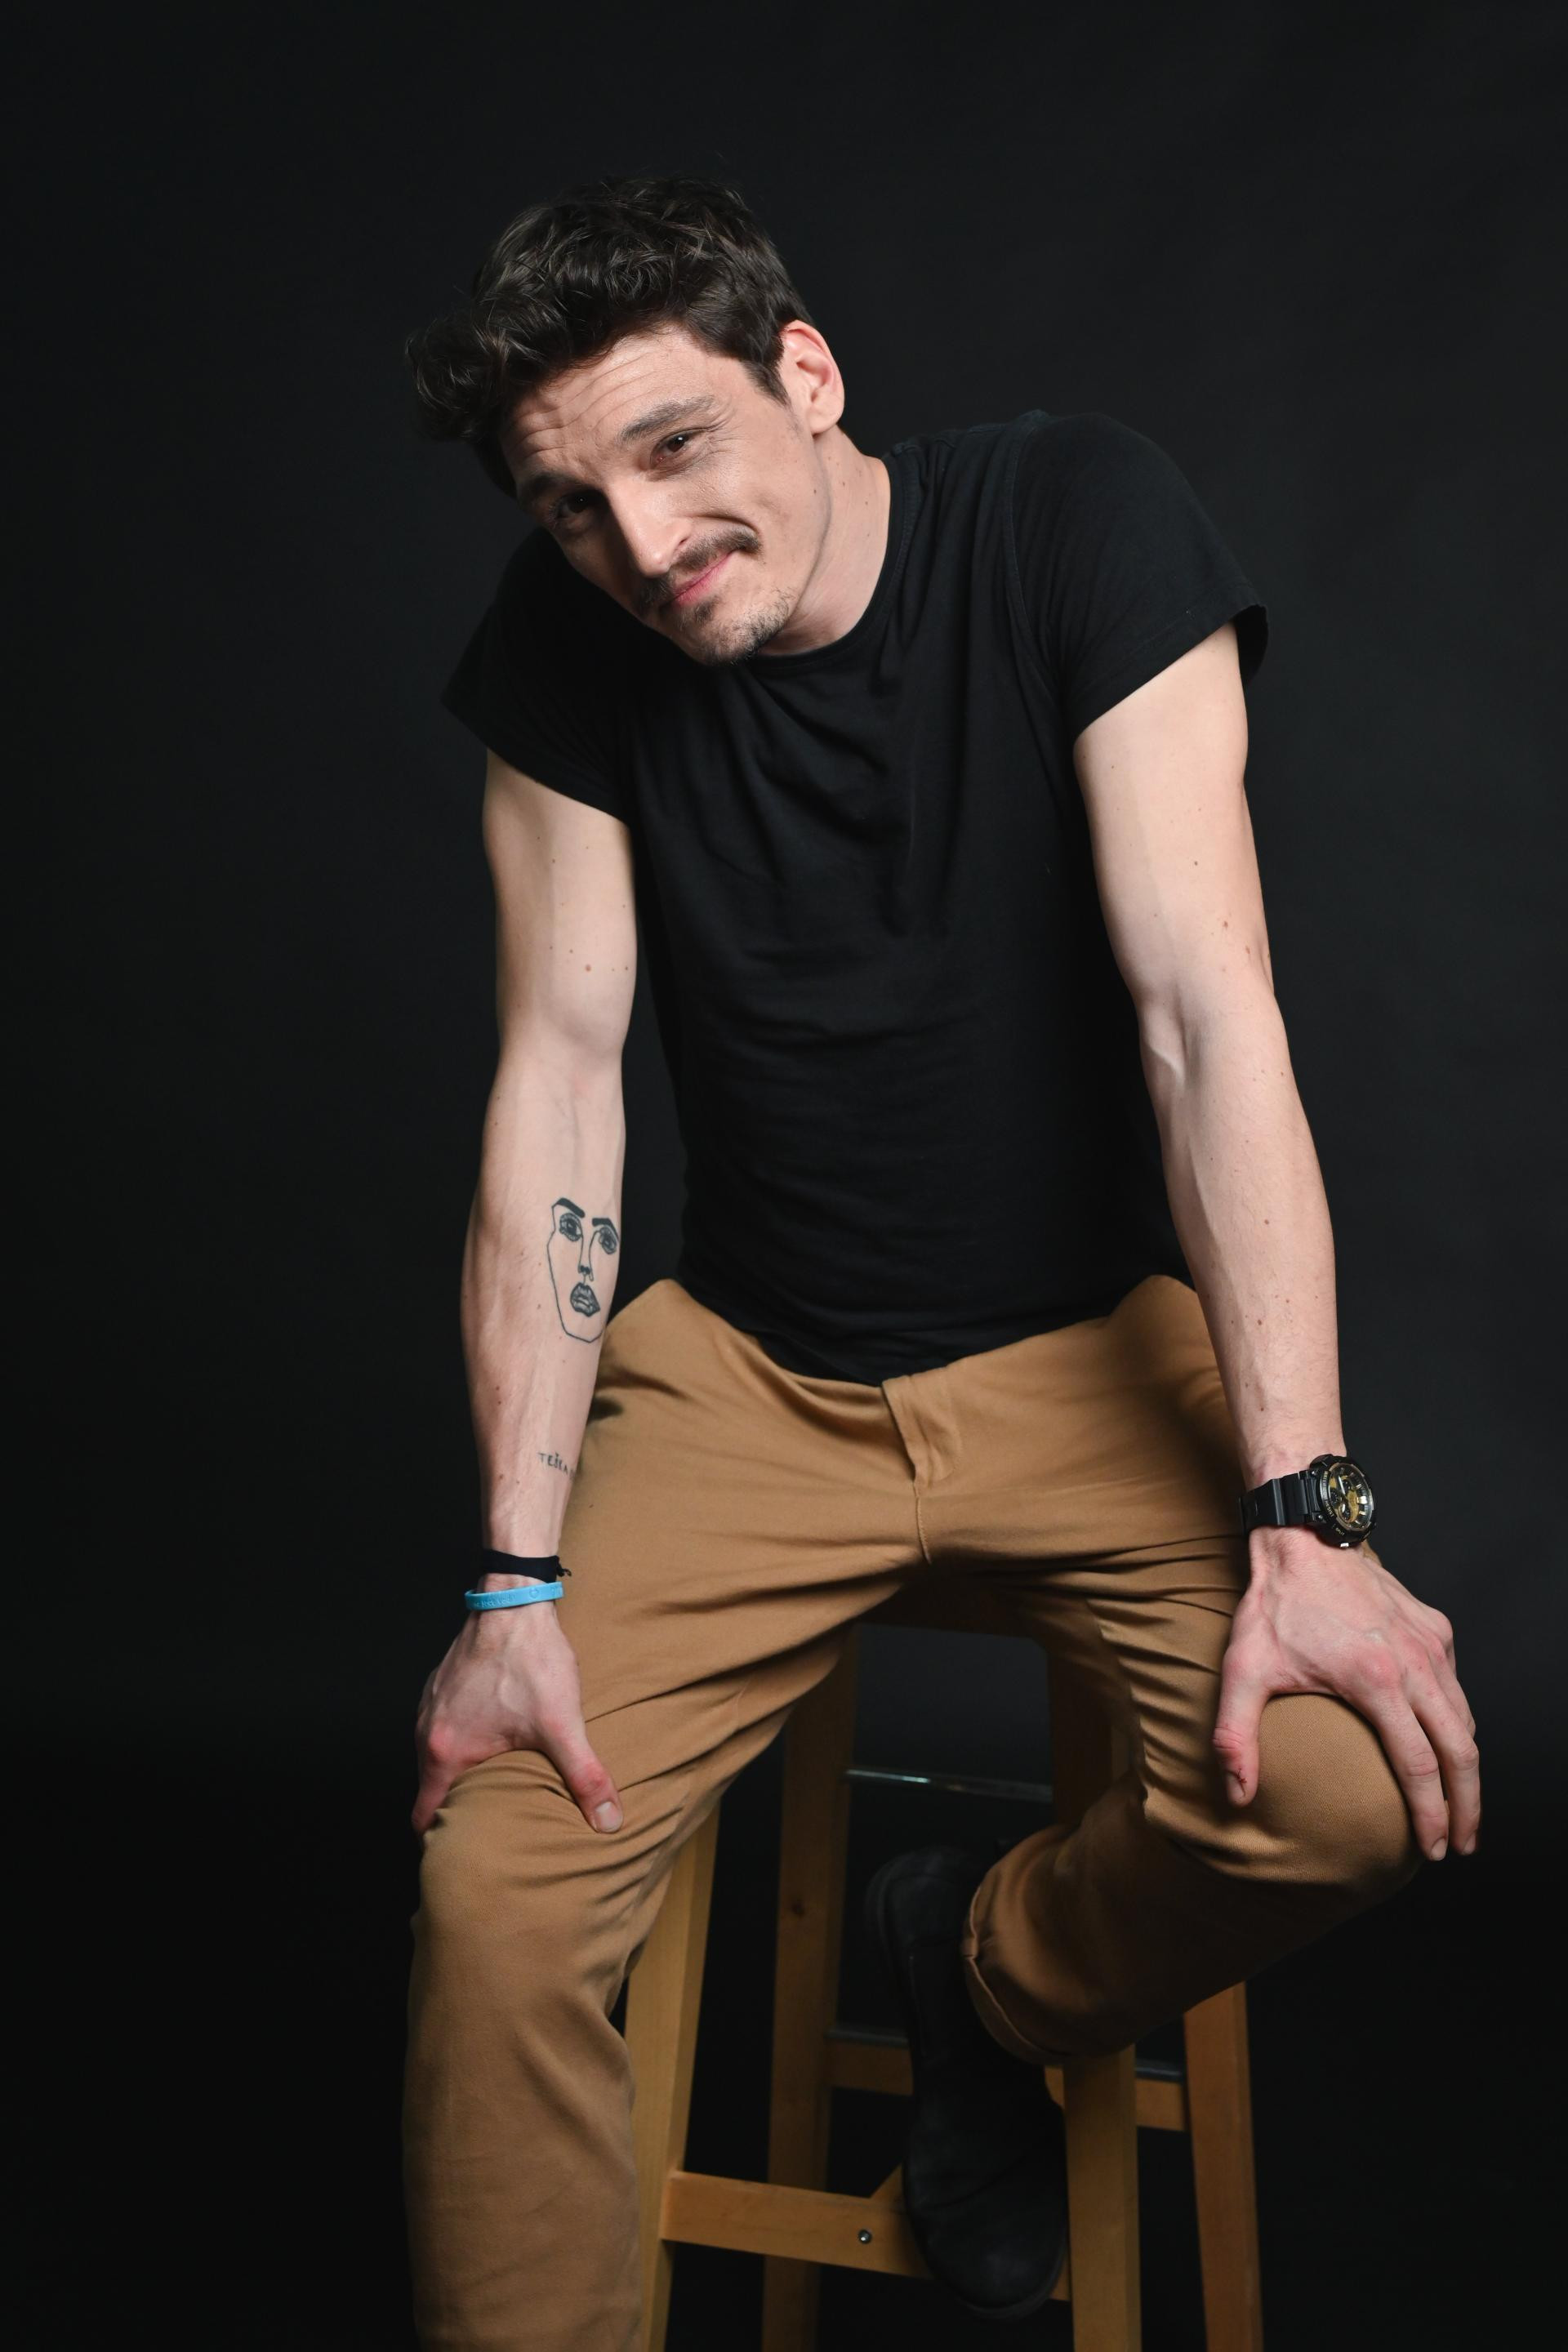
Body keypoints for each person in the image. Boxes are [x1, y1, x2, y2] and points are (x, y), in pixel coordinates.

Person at [400, 171, 1480, 2349]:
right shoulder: (566, 645)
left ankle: (989, 1970)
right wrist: (511, 1583)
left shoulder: (1077, 518)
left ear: (805, 374)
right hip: (755, 1377)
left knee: (1357, 1792)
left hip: (1100, 1356)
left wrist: (1314, 1514)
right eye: (570, 504)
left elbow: (1206, 1018)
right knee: (494, 1890)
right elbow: (562, 1088)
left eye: (675, 447)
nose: (639, 542)